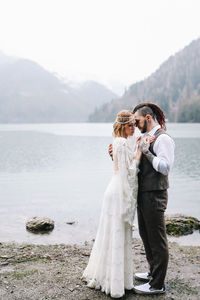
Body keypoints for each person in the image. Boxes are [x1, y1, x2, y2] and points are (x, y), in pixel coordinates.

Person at [82, 110, 141, 298]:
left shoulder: (117, 141)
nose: (133, 128)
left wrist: (136, 146)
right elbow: (130, 170)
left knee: (112, 233)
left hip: (113, 189)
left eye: (134, 124)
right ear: (123, 126)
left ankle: (114, 278)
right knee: (116, 233)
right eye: (130, 125)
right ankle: (116, 283)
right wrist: (140, 151)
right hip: (117, 193)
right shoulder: (122, 143)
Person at [132, 102, 175, 295]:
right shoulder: (144, 137)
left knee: (157, 241)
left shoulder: (163, 139)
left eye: (137, 121)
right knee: (146, 235)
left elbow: (165, 167)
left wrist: (147, 152)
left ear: (148, 118)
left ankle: (157, 285)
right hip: (143, 194)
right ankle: (152, 273)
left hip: (155, 195)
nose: (135, 125)